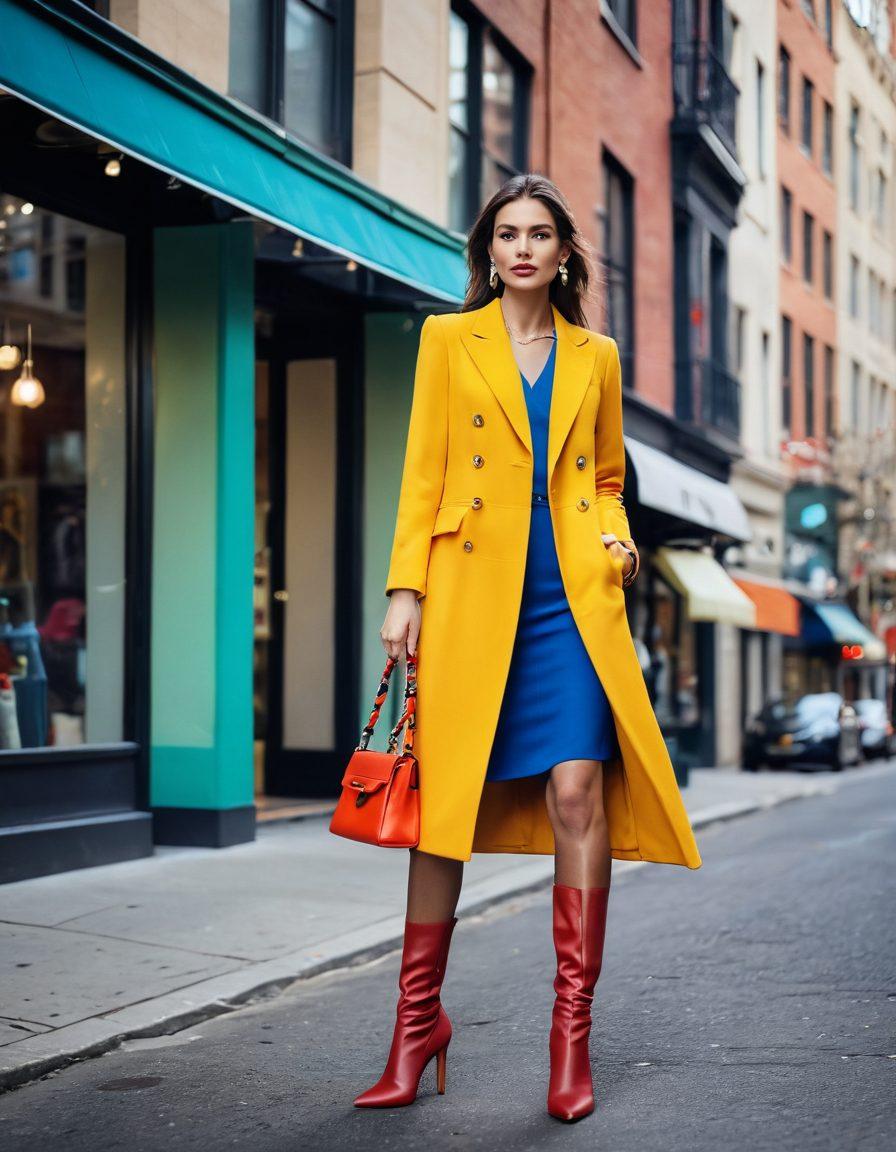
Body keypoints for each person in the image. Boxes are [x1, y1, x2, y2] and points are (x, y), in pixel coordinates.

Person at [353, 173, 702, 1121]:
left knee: (577, 792)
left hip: (571, 602)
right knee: (444, 809)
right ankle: (415, 1026)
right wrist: (404, 590)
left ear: (562, 253)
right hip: (470, 592)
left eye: (537, 234)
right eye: (505, 233)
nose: (520, 249)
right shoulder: (444, 340)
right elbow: (422, 472)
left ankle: (570, 1041)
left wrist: (617, 536)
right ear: (488, 249)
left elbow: (604, 475)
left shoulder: (597, 354)